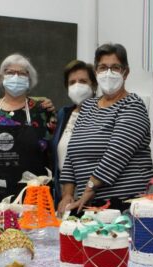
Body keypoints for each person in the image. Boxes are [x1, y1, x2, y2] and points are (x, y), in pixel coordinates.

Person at [58, 43, 152, 214]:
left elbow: (116, 154)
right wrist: (67, 194)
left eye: (115, 68)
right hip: (88, 204)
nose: (108, 73)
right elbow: (71, 153)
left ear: (126, 72)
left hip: (124, 205)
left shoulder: (132, 105)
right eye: (103, 67)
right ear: (96, 71)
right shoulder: (87, 107)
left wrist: (89, 188)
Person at [0, 53, 56, 202]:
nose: (16, 76)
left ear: (29, 80)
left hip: (35, 196)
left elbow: (53, 153)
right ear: (1, 78)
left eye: (22, 73)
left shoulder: (43, 110)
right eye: (10, 72)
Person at [51, 60, 97, 206]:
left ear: (94, 85)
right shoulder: (63, 114)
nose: (77, 86)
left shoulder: (103, 113)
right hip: (64, 193)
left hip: (93, 193)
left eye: (83, 81)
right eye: (72, 82)